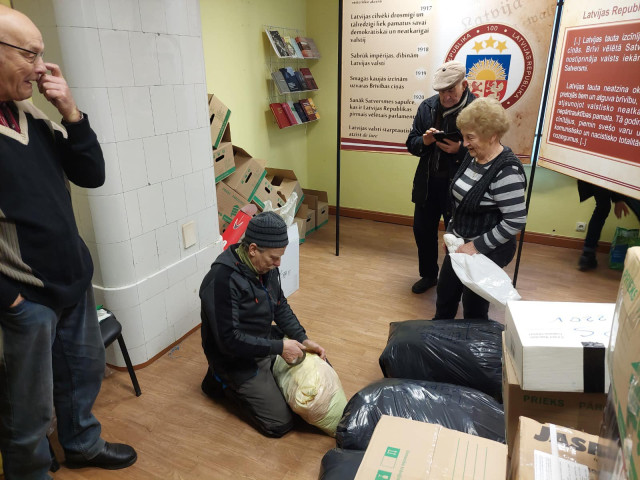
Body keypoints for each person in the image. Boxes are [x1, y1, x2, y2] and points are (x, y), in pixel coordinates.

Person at [0, 6, 137, 478]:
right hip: (27, 300)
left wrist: (71, 114)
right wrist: (12, 300)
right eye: (30, 54)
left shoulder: (30, 114)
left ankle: (81, 444)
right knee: (28, 410)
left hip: (73, 282)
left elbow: (90, 174)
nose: (41, 67)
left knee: (83, 376)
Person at [199, 211, 327, 438]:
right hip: (234, 357)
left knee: (320, 364)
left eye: (280, 257)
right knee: (280, 423)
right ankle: (220, 382)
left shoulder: (266, 268)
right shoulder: (222, 279)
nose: (278, 264)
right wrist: (280, 347)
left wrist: (302, 338)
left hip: (264, 339)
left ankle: (266, 375)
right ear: (253, 249)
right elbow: (229, 341)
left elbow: (280, 306)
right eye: (274, 258)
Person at [433, 97, 527, 319]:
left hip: (489, 250)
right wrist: (453, 234)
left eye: (470, 137)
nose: (464, 143)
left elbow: (515, 221)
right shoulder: (472, 157)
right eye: (464, 136)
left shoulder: (507, 171)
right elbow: (460, 203)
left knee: (474, 307)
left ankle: (474, 340)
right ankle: (439, 335)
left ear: (492, 135)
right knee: (445, 295)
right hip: (460, 244)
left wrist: (475, 246)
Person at [406, 61, 475, 294]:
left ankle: (457, 280)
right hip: (428, 183)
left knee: (458, 237)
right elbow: (411, 143)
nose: (446, 96)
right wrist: (424, 141)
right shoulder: (427, 107)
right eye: (441, 91)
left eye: (451, 90)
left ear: (464, 85)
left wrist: (460, 150)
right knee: (422, 231)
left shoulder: (478, 110)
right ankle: (428, 275)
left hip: (461, 188)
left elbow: (490, 150)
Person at [577, 180, 640, 271]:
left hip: (599, 177)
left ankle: (587, 254)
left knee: (602, 208)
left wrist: (618, 199)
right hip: (614, 177)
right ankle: (588, 255)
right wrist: (618, 199)